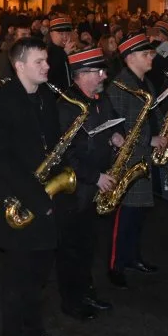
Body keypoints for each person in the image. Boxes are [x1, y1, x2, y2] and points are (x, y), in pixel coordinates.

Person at [0, 37, 69, 336]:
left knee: (38, 277)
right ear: (19, 66)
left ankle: (35, 333)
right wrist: (39, 199)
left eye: (46, 60)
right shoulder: (0, 101)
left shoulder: (46, 96)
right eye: (39, 62)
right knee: (18, 281)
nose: (47, 67)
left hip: (44, 197)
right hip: (16, 202)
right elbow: (3, 159)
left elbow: (52, 146)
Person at [55, 47, 124, 320]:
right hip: (76, 189)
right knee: (71, 247)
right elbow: (65, 154)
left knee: (88, 245)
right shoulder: (66, 105)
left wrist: (118, 135)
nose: (104, 76)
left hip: (96, 185)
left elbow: (113, 122)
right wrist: (95, 178)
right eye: (98, 72)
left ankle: (86, 290)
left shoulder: (101, 97)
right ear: (81, 75)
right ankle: (71, 300)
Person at [104, 32, 168, 289]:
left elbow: (153, 115)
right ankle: (115, 265)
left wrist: (163, 132)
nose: (151, 56)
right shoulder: (118, 87)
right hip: (127, 158)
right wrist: (148, 141)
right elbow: (117, 128)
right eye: (146, 54)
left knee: (139, 214)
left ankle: (132, 257)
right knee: (125, 216)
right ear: (130, 57)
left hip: (144, 159)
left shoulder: (146, 83)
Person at [46, 16, 76, 89]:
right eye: (61, 34)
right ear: (51, 34)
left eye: (68, 33)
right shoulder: (46, 52)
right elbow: (49, 75)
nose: (65, 37)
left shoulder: (73, 49)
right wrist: (64, 54)